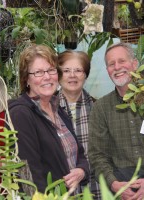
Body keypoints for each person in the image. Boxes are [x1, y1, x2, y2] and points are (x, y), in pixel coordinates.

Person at [88, 42, 144, 200]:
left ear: (135, 64)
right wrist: (114, 184)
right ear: (107, 70)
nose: (117, 67)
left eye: (122, 61)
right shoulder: (101, 108)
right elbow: (97, 155)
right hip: (123, 190)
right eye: (111, 64)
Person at [8, 44, 89, 193]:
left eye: (51, 70)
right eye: (38, 72)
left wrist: (82, 171)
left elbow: (80, 154)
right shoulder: (21, 114)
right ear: (26, 79)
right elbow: (30, 173)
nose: (47, 77)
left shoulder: (58, 110)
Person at [57, 50, 100, 199]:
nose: (72, 75)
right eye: (66, 70)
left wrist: (84, 170)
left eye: (78, 70)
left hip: (96, 186)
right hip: (60, 186)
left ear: (85, 75)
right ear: (58, 74)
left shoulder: (99, 108)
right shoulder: (46, 110)